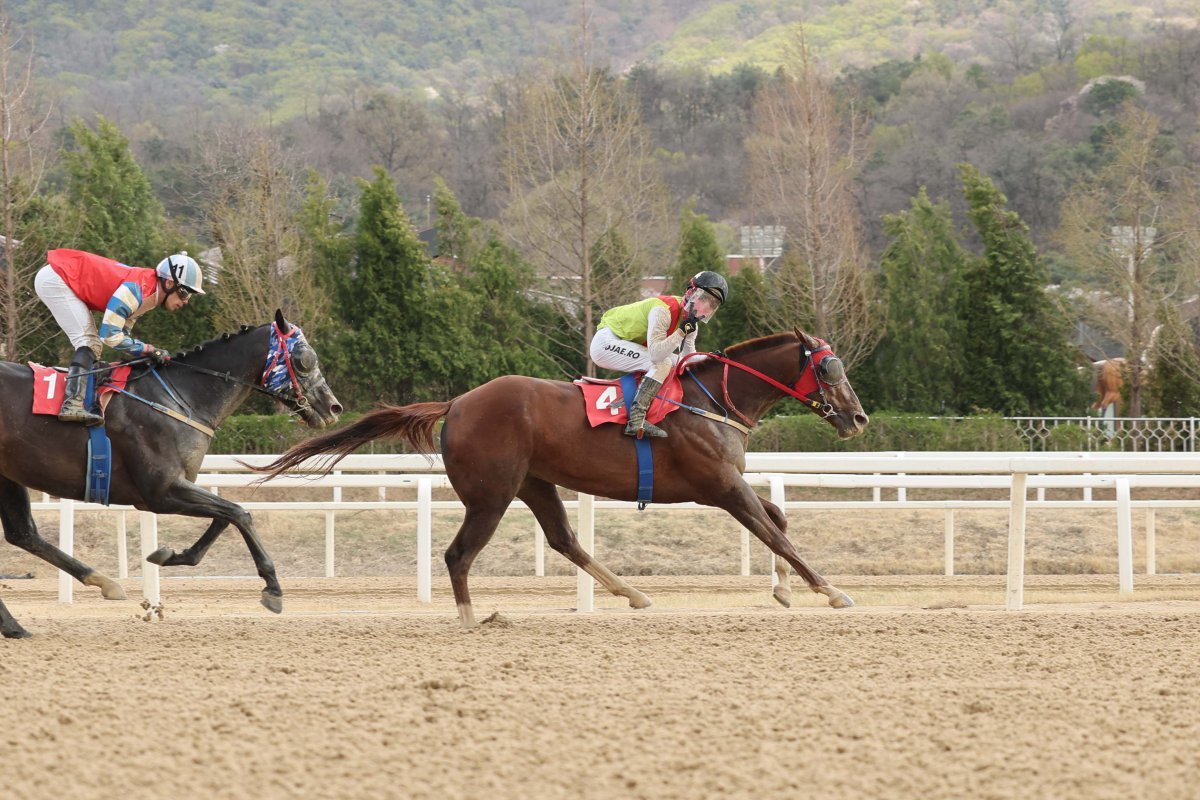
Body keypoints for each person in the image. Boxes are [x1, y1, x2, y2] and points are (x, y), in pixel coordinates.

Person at [34, 248, 205, 424]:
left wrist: (146, 353)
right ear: (169, 283)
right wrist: (147, 349)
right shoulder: (137, 290)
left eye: (189, 296)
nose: (185, 301)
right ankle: (72, 405)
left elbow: (123, 336)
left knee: (93, 345)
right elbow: (109, 335)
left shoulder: (149, 296)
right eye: (184, 293)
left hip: (60, 276)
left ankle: (84, 401)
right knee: (88, 342)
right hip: (56, 278)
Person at [590, 270, 729, 438]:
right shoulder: (663, 310)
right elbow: (656, 355)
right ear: (690, 292)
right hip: (606, 343)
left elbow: (687, 359)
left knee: (673, 362)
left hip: (624, 344)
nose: (706, 307)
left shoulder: (692, 324)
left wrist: (710, 359)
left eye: (713, 304)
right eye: (704, 298)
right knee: (663, 363)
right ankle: (636, 420)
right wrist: (680, 333)